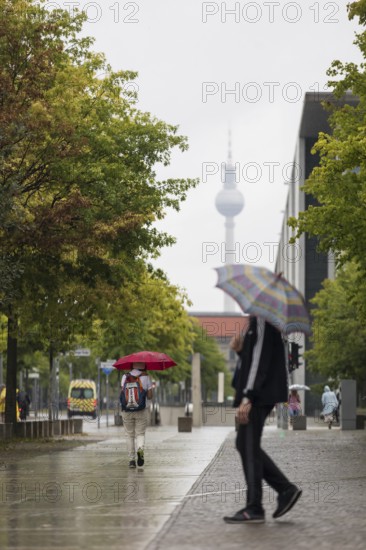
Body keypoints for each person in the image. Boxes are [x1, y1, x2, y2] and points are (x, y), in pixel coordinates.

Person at [224, 316, 302, 524]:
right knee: (245, 444)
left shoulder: (262, 319)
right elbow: (255, 358)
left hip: (259, 395)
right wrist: (240, 351)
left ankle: (254, 507)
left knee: (248, 445)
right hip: (262, 392)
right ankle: (285, 489)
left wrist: (248, 396)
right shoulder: (260, 321)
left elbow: (260, 361)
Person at [120, 362, 153, 468]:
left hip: (127, 410)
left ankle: (131, 461)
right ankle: (140, 449)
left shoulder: (125, 376)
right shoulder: (147, 377)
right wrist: (150, 387)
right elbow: (150, 396)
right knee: (140, 434)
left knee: (129, 435)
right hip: (141, 410)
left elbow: (122, 392)